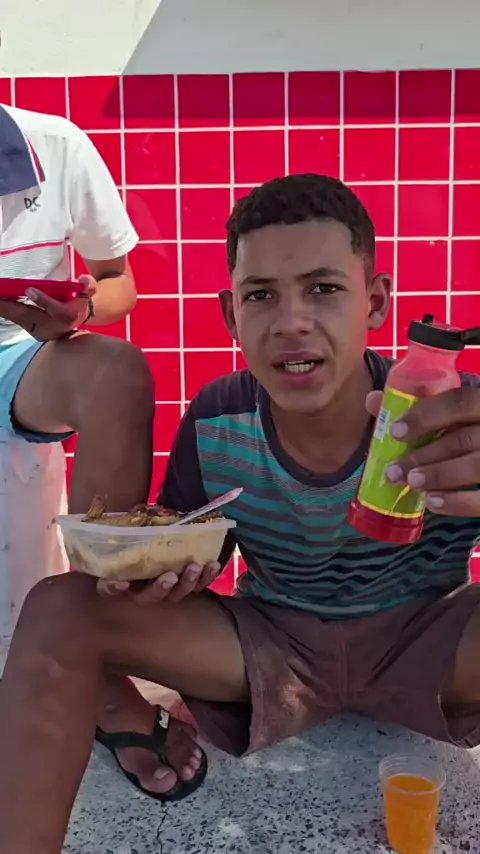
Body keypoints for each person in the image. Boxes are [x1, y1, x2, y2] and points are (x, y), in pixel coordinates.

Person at [2, 173, 480, 854]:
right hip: (273, 652)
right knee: (60, 609)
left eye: (323, 288)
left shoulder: (449, 415)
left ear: (374, 302)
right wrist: (164, 577)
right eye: (261, 295)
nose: (291, 321)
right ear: (230, 315)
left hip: (428, 644)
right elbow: (192, 546)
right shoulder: (217, 416)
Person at [0, 103, 191, 791]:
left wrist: (77, 310)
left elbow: (118, 283)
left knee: (115, 371)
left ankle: (98, 659)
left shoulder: (54, 147)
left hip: (13, 356)